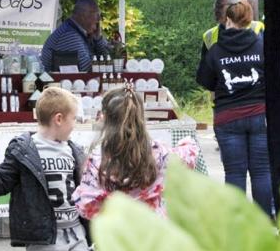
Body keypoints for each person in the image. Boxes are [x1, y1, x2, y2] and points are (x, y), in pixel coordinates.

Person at [0, 87, 89, 251]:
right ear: (58, 119)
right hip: (45, 239)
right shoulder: (24, 150)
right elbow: (0, 183)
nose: (75, 124)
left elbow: (84, 189)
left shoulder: (74, 150)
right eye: (73, 118)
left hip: (77, 234)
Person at [196, 0, 274, 218]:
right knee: (261, 172)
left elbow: (205, 81)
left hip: (227, 118)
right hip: (260, 115)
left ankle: (237, 227)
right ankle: (265, 225)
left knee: (234, 173)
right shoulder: (262, 45)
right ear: (249, 20)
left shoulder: (216, 50)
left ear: (227, 20)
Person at [73, 87, 200, 220]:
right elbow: (190, 155)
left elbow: (86, 205)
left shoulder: (98, 159)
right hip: (155, 229)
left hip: (119, 230)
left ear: (104, 118)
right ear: (141, 117)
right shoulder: (159, 151)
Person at [39, 0, 112, 72]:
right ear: (84, 16)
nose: (99, 19)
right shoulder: (68, 35)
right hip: (56, 82)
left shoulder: (77, 32)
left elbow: (108, 60)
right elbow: (88, 70)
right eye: (97, 15)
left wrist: (98, 39)